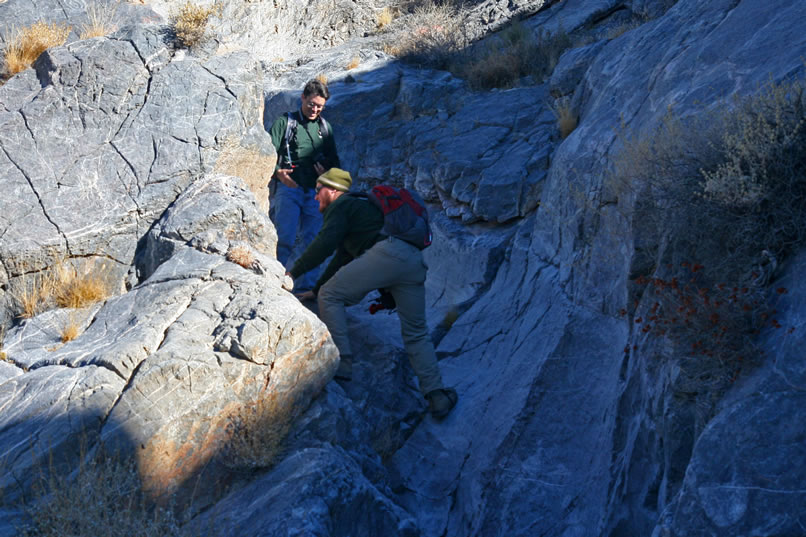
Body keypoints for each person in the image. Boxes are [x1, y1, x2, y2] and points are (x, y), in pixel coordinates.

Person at [286, 168, 458, 419]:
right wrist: (316, 289)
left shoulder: (342, 205)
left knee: (331, 297)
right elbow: (342, 258)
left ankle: (342, 363)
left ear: (333, 190)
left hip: (386, 255)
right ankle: (437, 395)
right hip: (413, 261)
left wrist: (293, 273)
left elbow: (325, 243)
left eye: (318, 190)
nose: (315, 198)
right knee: (417, 333)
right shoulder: (359, 209)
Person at [268, 79, 340, 294]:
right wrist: (278, 173)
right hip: (289, 189)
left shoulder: (325, 128)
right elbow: (267, 154)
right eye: (312, 104)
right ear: (303, 98)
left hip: (315, 194)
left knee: (312, 242)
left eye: (320, 106)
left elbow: (335, 162)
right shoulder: (285, 123)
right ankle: (275, 284)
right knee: (284, 238)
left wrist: (326, 176)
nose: (315, 109)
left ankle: (305, 288)